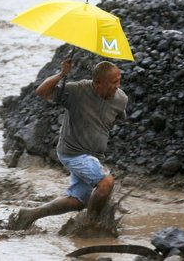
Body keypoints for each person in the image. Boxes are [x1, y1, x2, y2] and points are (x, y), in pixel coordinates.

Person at [8, 58, 128, 230]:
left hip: (92, 155)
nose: (117, 86)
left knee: (77, 201)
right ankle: (91, 225)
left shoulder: (120, 99)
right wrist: (62, 74)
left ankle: (29, 214)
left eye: (119, 81)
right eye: (113, 82)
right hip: (73, 153)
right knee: (106, 182)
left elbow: (118, 116)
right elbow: (42, 91)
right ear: (98, 83)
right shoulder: (77, 91)